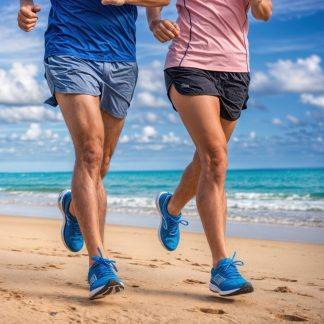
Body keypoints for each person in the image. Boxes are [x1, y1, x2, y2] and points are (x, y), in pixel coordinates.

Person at [17, 0, 169, 300]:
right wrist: (25, 6)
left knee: (102, 161)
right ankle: (99, 262)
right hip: (69, 50)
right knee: (90, 151)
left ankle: (74, 208)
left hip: (121, 59)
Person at [147, 0, 272, 296]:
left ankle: (172, 207)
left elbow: (263, 13)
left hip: (235, 71)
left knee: (208, 160)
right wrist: (155, 21)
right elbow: (157, 2)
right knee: (216, 158)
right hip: (189, 64)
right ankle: (221, 267)